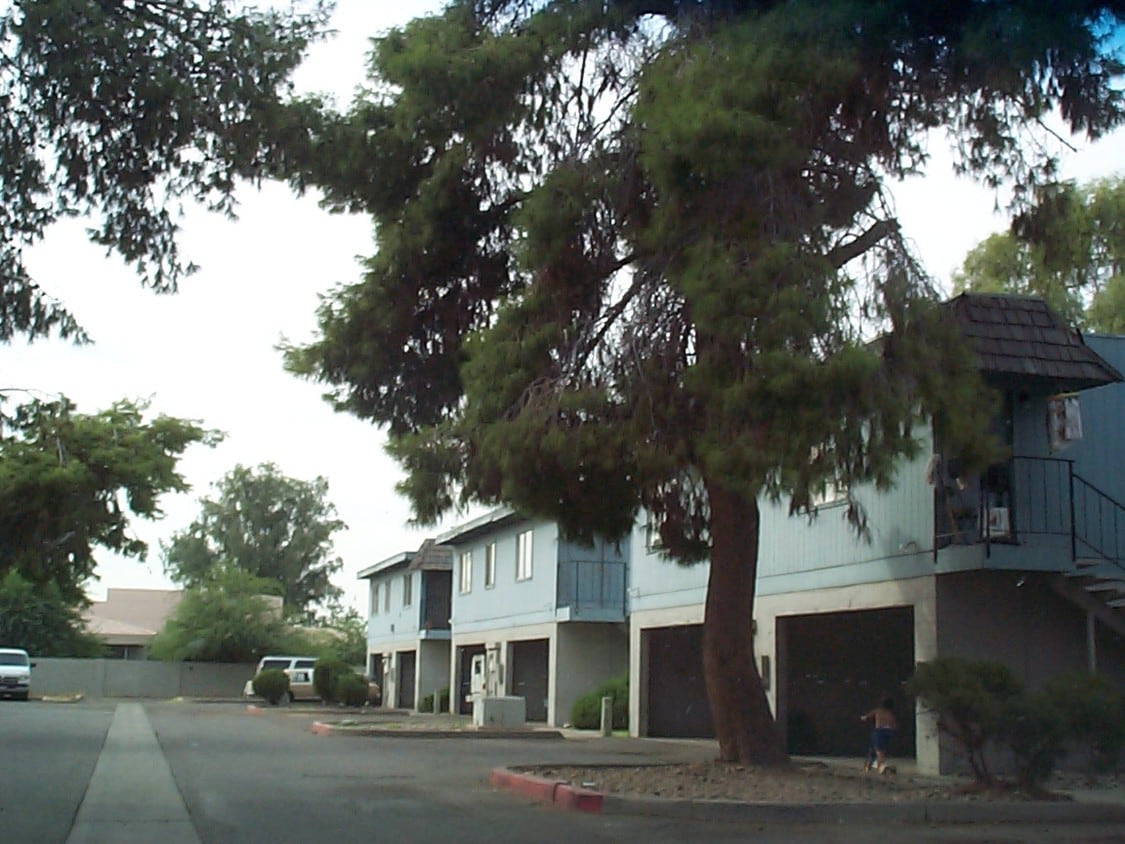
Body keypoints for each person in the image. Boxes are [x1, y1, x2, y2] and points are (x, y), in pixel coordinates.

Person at [861, 697, 897, 773]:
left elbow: (866, 717)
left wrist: (863, 718)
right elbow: (894, 725)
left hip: (879, 731)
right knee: (880, 749)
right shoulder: (890, 713)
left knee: (878, 750)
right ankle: (872, 764)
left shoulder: (878, 711)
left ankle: (880, 766)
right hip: (889, 731)